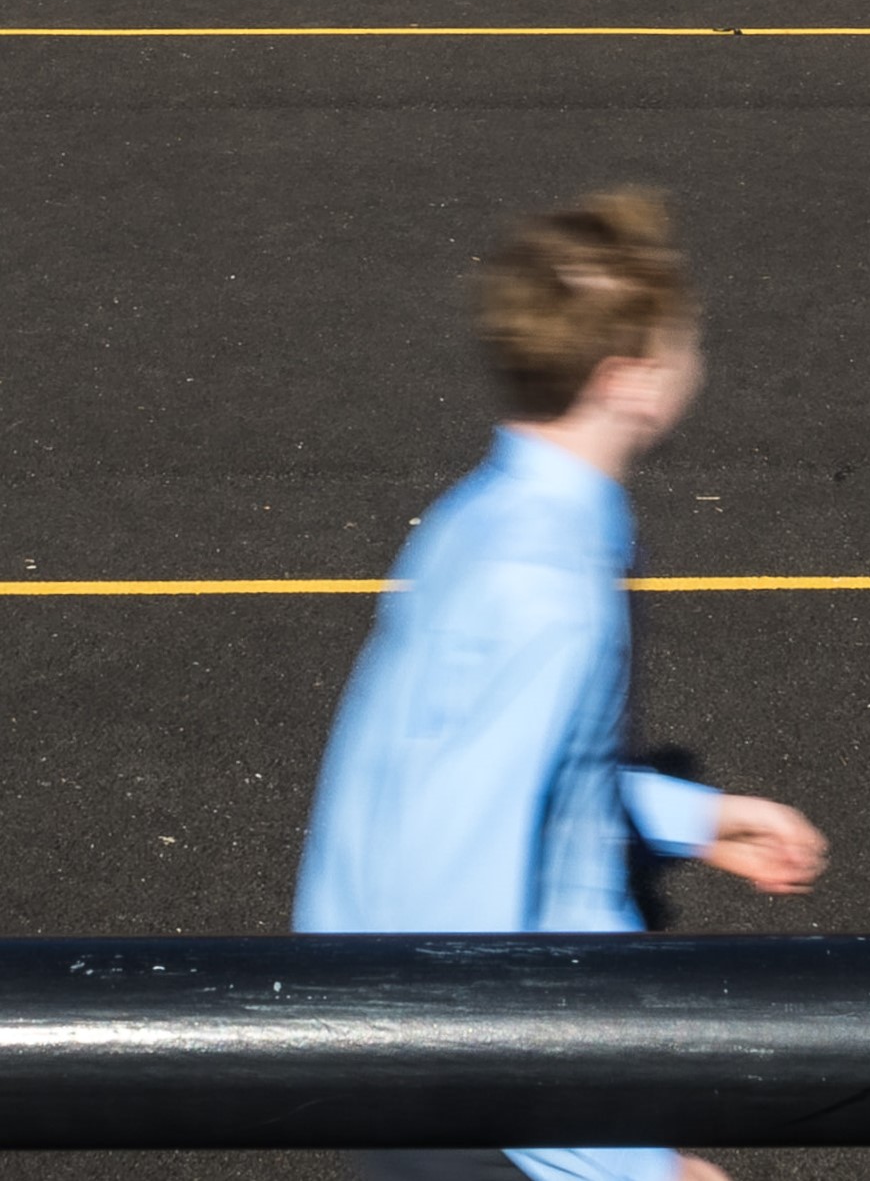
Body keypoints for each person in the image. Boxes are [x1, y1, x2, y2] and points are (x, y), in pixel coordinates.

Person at [297, 191, 828, 1181]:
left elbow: (473, 777)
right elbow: (457, 924)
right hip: (488, 1110)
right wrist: (628, 1169)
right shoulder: (549, 588)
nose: (697, 360)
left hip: (407, 1066)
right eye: (685, 342)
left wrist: (692, 819)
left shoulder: (483, 515)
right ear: (632, 380)